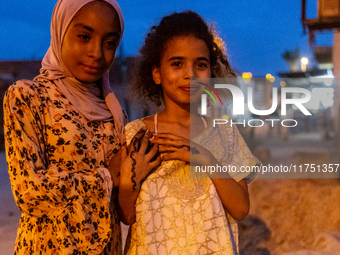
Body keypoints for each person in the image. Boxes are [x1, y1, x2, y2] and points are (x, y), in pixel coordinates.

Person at [3, 0, 159, 254]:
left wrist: (133, 174)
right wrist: (107, 175)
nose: (97, 53)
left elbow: (121, 205)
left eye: (109, 43)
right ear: (60, 31)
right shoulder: (28, 97)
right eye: (84, 37)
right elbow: (29, 192)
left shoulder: (111, 109)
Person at [120, 11, 259, 254]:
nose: (190, 74)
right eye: (177, 64)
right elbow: (126, 216)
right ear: (156, 74)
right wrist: (131, 176)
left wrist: (204, 158)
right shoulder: (137, 135)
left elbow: (241, 209)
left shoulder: (225, 133)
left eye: (201, 65)